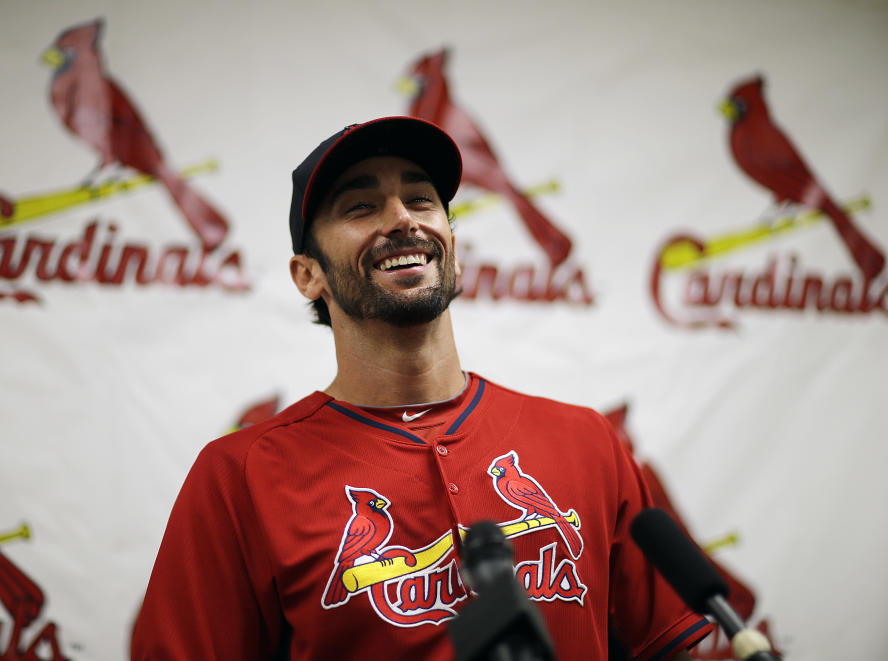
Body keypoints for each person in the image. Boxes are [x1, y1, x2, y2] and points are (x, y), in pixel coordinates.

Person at [132, 116, 712, 660]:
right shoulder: (240, 477)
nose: (402, 219)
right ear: (308, 275)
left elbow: (674, 646)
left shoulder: (585, 441)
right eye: (361, 206)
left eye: (421, 200)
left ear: (454, 253)